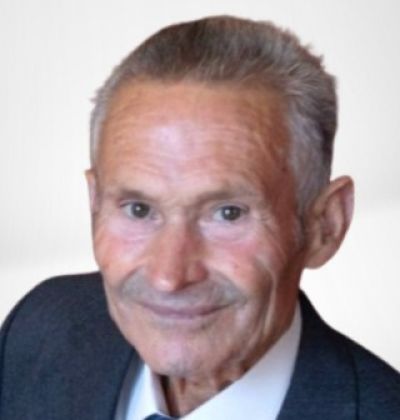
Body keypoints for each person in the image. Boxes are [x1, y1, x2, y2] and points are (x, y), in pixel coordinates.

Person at [1, 15, 399, 420]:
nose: (169, 277)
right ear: (95, 204)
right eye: (139, 210)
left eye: (228, 214)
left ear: (324, 226)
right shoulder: (40, 329)